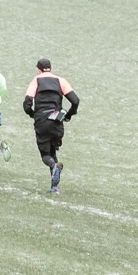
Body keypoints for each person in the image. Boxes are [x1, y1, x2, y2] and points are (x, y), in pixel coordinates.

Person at [21, 59, 80, 193]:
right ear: (51, 68)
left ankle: (53, 166)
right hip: (57, 120)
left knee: (46, 155)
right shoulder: (61, 81)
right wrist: (69, 115)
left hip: (42, 120)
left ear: (38, 69)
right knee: (53, 151)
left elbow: (27, 104)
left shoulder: (36, 80)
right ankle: (54, 187)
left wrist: (33, 114)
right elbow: (75, 101)